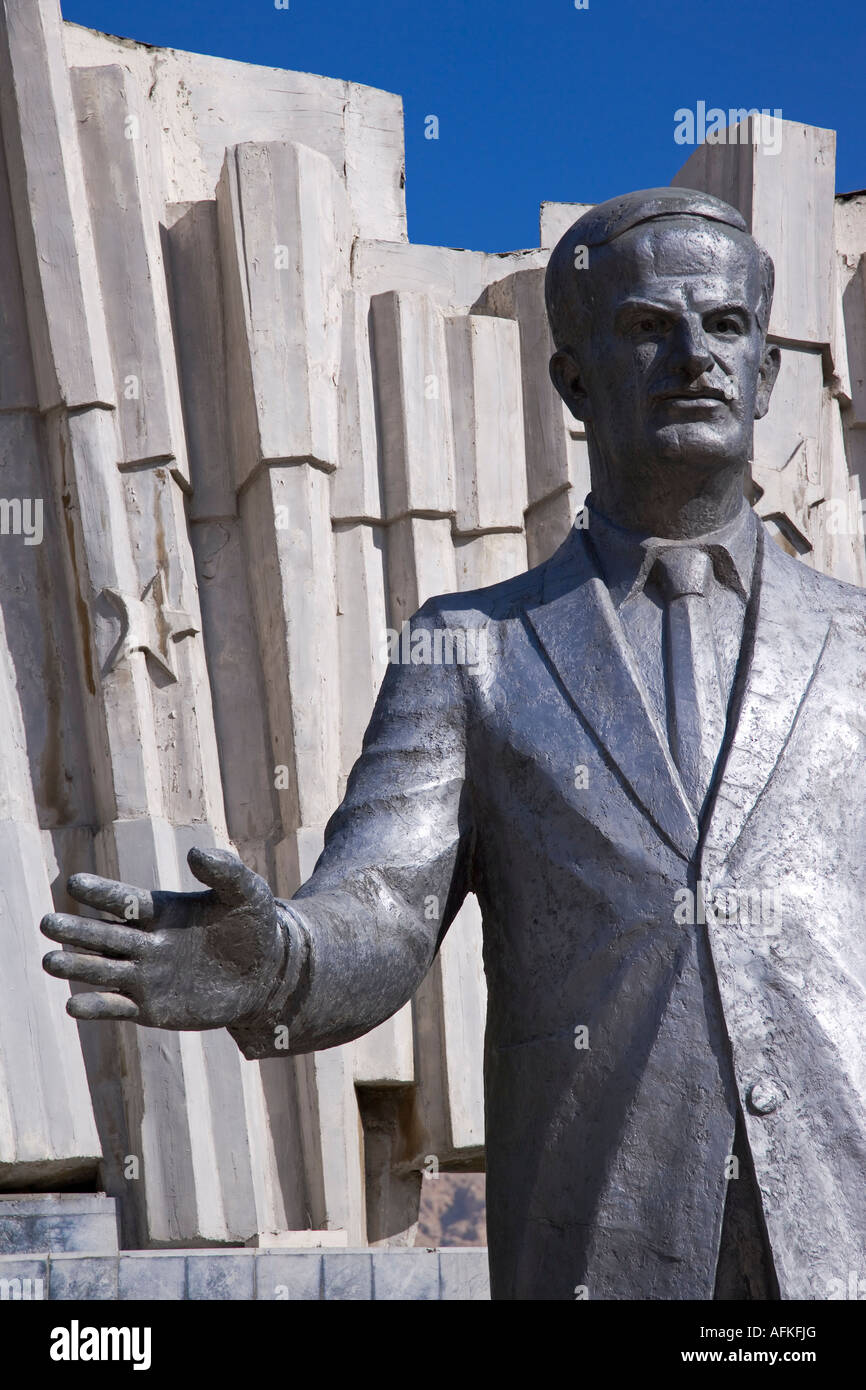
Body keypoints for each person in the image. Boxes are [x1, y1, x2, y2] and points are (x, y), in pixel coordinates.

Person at [42, 187, 866, 1300]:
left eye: (726, 326)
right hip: (602, 1231)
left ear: (767, 375)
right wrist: (276, 963)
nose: (693, 356)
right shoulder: (470, 650)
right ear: (573, 380)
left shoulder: (856, 643)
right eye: (645, 326)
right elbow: (379, 903)